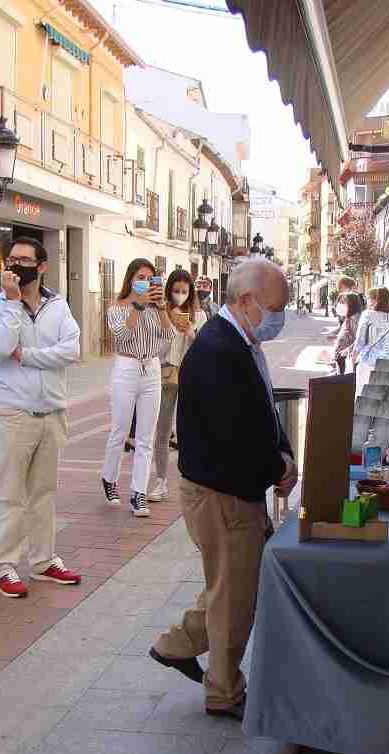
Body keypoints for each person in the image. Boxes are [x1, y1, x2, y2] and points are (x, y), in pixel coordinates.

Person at [149, 257, 297, 721]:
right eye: (277, 307)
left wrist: (283, 454)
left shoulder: (240, 341)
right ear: (248, 301)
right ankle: (224, 692)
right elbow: (234, 434)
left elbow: (262, 412)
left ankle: (176, 644)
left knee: (232, 585)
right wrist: (276, 467)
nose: (281, 317)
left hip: (232, 488)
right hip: (222, 493)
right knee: (235, 597)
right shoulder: (218, 348)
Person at [0, 237, 83, 598]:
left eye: (25, 260)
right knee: (8, 494)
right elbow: (4, 347)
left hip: (51, 413)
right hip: (13, 412)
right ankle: (3, 567)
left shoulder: (58, 306)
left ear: (41, 267)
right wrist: (12, 303)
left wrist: (31, 356)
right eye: (11, 259)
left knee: (44, 493)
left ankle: (43, 560)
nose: (16, 265)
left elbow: (71, 349)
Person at [102, 258, 173, 518]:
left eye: (150, 278)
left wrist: (162, 308)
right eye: (141, 277)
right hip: (126, 368)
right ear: (131, 278)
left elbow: (168, 337)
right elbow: (122, 335)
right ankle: (109, 479)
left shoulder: (156, 309)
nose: (145, 282)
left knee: (146, 436)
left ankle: (138, 494)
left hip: (151, 369)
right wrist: (138, 307)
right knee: (120, 430)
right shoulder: (117, 307)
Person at [150, 270, 206, 502]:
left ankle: (195, 480)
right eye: (176, 291)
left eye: (184, 291)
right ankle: (160, 481)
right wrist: (170, 324)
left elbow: (205, 349)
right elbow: (157, 349)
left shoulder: (200, 315)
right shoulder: (159, 313)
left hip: (191, 377)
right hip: (165, 376)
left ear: (190, 292)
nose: (180, 295)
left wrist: (191, 333)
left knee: (191, 430)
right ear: (169, 290)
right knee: (161, 430)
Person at [350, 287, 389, 393]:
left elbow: (360, 341)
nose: (367, 300)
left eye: (368, 298)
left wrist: (353, 357)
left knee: (361, 397)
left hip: (367, 363)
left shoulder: (368, 315)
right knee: (378, 403)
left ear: (376, 300)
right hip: (387, 366)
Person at [331, 292, 362, 375]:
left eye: (343, 302)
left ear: (351, 304)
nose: (340, 304)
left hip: (346, 357)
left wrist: (347, 350)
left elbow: (359, 339)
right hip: (342, 356)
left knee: (343, 382)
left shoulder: (355, 318)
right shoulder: (349, 317)